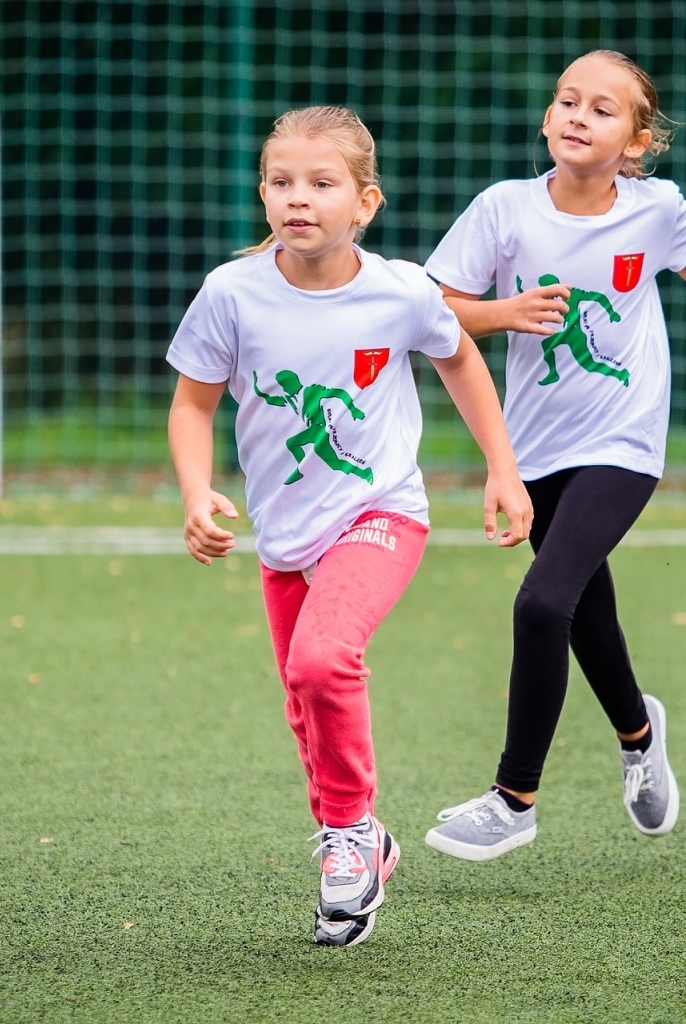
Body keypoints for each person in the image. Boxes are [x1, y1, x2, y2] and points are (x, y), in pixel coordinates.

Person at [166, 106, 531, 945]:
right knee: (304, 695)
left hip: (381, 514)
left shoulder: (401, 290)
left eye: (322, 184)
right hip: (283, 539)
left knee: (326, 660)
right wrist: (195, 492)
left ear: (365, 202)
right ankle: (362, 836)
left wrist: (501, 468)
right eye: (282, 182)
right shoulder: (231, 294)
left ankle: (346, 837)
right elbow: (192, 404)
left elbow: (460, 358)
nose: (300, 199)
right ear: (263, 193)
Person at [422, 50, 686, 861]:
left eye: (602, 108)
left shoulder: (653, 211)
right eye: (566, 101)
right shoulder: (503, 210)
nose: (578, 116)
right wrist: (503, 311)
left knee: (543, 603)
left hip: (625, 437)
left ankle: (514, 799)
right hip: (538, 445)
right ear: (548, 118)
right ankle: (638, 731)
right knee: (589, 614)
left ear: (638, 140)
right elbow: (435, 311)